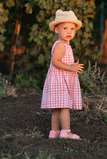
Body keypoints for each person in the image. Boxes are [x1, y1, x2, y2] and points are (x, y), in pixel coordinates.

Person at [41, 9, 84, 140]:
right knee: (64, 106)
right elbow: (55, 62)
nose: (69, 31)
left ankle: (54, 132)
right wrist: (71, 67)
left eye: (72, 28)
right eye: (65, 28)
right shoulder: (60, 45)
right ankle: (66, 132)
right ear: (56, 30)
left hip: (60, 80)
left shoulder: (65, 45)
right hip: (59, 80)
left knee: (58, 108)